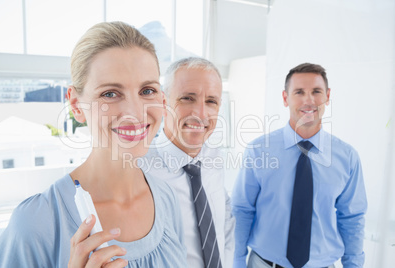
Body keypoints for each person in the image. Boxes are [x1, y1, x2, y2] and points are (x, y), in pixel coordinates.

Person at [0, 21, 187, 267]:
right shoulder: (36, 223)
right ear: (76, 105)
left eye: (147, 90)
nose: (135, 113)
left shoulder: (167, 198)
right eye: (110, 93)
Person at [231, 63, 367, 268]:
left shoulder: (347, 157)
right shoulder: (258, 151)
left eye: (316, 92)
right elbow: (242, 210)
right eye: (299, 92)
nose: (308, 100)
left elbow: (352, 218)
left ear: (327, 96)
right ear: (286, 98)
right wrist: (237, 263)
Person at [142, 57, 235, 268]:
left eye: (211, 101)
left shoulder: (213, 156)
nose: (201, 114)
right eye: (187, 98)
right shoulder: (139, 170)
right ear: (163, 103)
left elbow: (224, 225)